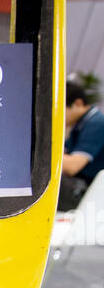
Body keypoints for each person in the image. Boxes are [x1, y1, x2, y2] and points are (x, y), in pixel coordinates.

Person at [59, 76, 104, 211]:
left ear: (78, 103)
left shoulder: (96, 123)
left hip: (87, 191)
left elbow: (73, 166)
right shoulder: (80, 125)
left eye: (61, 110)